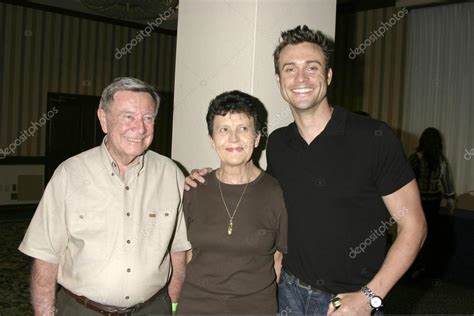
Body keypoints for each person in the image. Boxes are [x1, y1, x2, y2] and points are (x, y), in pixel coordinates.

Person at [185, 25, 427, 315]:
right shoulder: (278, 144)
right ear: (279, 80)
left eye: (312, 67)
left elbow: (414, 226)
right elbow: (261, 199)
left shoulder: (373, 137)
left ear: (328, 75)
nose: (301, 78)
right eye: (290, 69)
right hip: (288, 294)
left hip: (348, 301)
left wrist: (369, 297)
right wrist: (204, 179)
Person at [19, 77, 191, 315]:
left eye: (148, 117)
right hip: (82, 309)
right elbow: (46, 257)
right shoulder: (70, 174)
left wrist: (173, 306)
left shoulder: (171, 174)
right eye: (128, 116)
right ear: (103, 119)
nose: (140, 128)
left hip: (153, 309)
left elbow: (178, 251)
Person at [177, 90, 287, 314]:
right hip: (196, 308)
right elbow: (185, 254)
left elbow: (279, 259)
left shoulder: (276, 192)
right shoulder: (193, 190)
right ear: (212, 140)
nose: (234, 139)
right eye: (224, 130)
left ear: (257, 138)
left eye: (243, 129)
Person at [408, 127, 455, 278]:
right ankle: (426, 267)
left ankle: (413, 266)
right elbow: (446, 181)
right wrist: (450, 198)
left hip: (417, 202)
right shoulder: (440, 159)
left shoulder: (415, 158)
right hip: (434, 202)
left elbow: (407, 180)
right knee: (429, 234)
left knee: (414, 234)